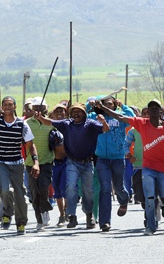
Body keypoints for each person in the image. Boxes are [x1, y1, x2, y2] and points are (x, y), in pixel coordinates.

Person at [97, 98, 164, 235]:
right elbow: (121, 117)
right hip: (147, 168)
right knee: (150, 198)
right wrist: (103, 108)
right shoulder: (141, 123)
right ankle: (150, 227)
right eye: (150, 107)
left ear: (161, 112)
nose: (153, 110)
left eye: (156, 108)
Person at [36, 102, 109, 230]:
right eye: (74, 111)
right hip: (72, 162)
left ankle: (89, 215)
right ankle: (72, 216)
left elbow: (105, 129)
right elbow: (50, 122)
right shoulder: (66, 124)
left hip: (87, 163)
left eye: (79, 111)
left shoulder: (91, 124)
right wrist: (40, 118)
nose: (76, 113)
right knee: (70, 187)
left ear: (84, 114)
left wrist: (103, 121)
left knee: (88, 191)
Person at [94, 96, 135, 232]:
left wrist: (123, 106)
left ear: (115, 105)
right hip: (102, 159)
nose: (107, 106)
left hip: (118, 158)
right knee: (105, 188)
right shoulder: (95, 117)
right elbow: (84, 115)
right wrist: (91, 105)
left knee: (118, 187)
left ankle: (124, 199)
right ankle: (105, 222)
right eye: (104, 104)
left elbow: (132, 117)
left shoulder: (120, 117)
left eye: (110, 104)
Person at [0, 96, 39, 235]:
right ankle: (7, 212)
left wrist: (36, 163)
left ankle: (21, 223)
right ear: (2, 107)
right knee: (5, 190)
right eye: (5, 104)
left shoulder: (22, 125)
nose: (8, 107)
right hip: (2, 163)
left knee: (20, 195)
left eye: (10, 104)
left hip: (17, 164)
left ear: (15, 107)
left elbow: (30, 145)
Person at [26, 96, 54, 232]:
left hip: (47, 162)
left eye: (41, 108)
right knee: (34, 193)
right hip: (30, 163)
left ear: (46, 109)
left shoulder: (51, 123)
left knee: (43, 187)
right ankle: (39, 220)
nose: (38, 110)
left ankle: (45, 210)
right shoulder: (25, 124)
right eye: (36, 108)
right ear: (32, 109)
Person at [49, 103, 68, 227]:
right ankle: (61, 214)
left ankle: (66, 212)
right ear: (53, 115)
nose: (60, 113)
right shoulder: (50, 129)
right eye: (57, 111)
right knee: (57, 190)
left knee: (64, 187)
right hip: (55, 163)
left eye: (62, 111)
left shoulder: (69, 127)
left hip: (68, 162)